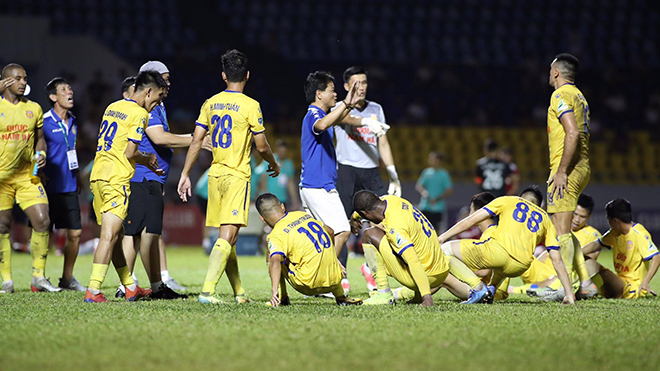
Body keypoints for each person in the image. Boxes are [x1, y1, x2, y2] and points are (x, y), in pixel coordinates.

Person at [177, 49, 280, 304]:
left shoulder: (209, 103)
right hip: (236, 176)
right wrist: (273, 164)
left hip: (215, 175)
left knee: (229, 237)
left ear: (224, 76)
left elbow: (197, 141)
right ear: (247, 75)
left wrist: (185, 174)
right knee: (228, 235)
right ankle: (207, 292)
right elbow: (262, 146)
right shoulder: (251, 105)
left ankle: (239, 292)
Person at [299, 71, 388, 295]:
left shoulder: (322, 114)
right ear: (319, 94)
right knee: (343, 230)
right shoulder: (313, 114)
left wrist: (348, 106)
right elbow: (321, 125)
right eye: (331, 89)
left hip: (314, 185)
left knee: (325, 234)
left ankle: (311, 276)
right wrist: (347, 104)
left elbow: (337, 119)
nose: (336, 93)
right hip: (319, 187)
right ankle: (327, 279)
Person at [84, 70, 168, 303]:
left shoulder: (113, 106)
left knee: (117, 235)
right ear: (148, 91)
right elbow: (130, 152)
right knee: (109, 236)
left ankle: (130, 285)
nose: (159, 102)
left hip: (98, 175)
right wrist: (148, 159)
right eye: (159, 97)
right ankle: (93, 290)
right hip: (116, 179)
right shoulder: (140, 114)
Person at [120, 61, 200, 300]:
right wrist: (195, 140)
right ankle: (138, 285)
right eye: (163, 79)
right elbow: (159, 138)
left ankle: (140, 284)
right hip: (144, 177)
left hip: (150, 177)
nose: (168, 83)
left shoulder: (158, 105)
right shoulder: (149, 107)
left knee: (141, 233)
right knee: (143, 233)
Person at [438, 186, 576, 304]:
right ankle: (491, 289)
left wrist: (443, 237)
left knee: (445, 250)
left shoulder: (509, 200)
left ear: (521, 197)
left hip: (499, 253)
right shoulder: (546, 220)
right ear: (539, 205)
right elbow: (557, 260)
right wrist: (569, 294)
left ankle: (478, 289)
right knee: (502, 264)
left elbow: (470, 221)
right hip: (520, 267)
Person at [333, 66, 400, 289]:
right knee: (342, 224)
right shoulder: (338, 108)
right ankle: (340, 276)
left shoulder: (376, 109)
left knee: (381, 222)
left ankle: (374, 272)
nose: (361, 88)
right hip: (346, 170)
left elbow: (383, 141)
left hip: (371, 171)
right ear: (345, 86)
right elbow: (346, 118)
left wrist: (392, 173)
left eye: (364, 83)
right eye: (356, 84)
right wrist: (364, 122)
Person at [351, 191, 478, 306]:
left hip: (427, 277)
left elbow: (413, 260)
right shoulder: (393, 200)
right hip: (442, 269)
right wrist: (355, 217)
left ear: (365, 214)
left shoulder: (395, 228)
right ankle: (478, 288)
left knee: (370, 234)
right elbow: (371, 205)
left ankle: (384, 294)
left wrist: (426, 297)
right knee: (414, 248)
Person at [0, 63, 61, 293]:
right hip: (2, 178)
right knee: (2, 226)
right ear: (5, 81)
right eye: (17, 78)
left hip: (28, 176)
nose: (23, 82)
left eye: (24, 78)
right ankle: (7, 281)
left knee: (43, 220)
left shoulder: (34, 108)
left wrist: (41, 152)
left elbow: (40, 138)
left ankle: (38, 277)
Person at [544, 53, 597, 300]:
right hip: (582, 165)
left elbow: (572, 133)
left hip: (569, 168)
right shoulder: (579, 96)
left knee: (561, 229)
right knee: (562, 228)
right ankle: (585, 282)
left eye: (550, 69)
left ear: (556, 72)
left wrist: (562, 171)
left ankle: (561, 287)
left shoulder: (560, 95)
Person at [255, 193, 361, 307]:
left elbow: (275, 262)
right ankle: (341, 297)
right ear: (282, 207)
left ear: (262, 219)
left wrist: (273, 291)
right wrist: (333, 258)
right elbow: (330, 231)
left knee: (273, 254)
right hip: (335, 279)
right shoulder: (302, 214)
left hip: (309, 285)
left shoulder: (275, 235)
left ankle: (281, 297)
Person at [42, 77, 85, 291]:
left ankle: (67, 278)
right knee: (43, 233)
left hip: (69, 186)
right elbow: (33, 149)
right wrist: (39, 172)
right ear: (53, 97)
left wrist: (79, 176)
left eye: (70, 88)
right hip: (47, 186)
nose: (70, 92)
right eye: (64, 90)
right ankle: (38, 276)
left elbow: (72, 151)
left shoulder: (74, 121)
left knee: (75, 233)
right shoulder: (43, 121)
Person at [581, 199, 659, 299]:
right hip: (618, 282)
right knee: (584, 260)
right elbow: (596, 244)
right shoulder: (615, 233)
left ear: (615, 221)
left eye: (608, 219)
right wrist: (576, 254)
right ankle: (589, 289)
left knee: (603, 273)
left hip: (632, 288)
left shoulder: (639, 234)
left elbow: (656, 257)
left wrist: (646, 281)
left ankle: (590, 289)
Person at [416, 151, 452, 232]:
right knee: (422, 228)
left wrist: (437, 199)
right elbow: (419, 185)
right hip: (425, 206)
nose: (431, 160)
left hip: (438, 207)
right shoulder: (426, 172)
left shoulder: (444, 174)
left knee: (436, 229)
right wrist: (424, 192)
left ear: (439, 161)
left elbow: (448, 190)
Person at [258, 140, 299, 210]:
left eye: (284, 151)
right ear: (276, 149)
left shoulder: (289, 164)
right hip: (270, 199)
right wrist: (266, 196)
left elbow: (290, 183)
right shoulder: (269, 160)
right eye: (280, 151)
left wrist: (295, 201)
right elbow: (263, 179)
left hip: (282, 198)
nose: (282, 153)